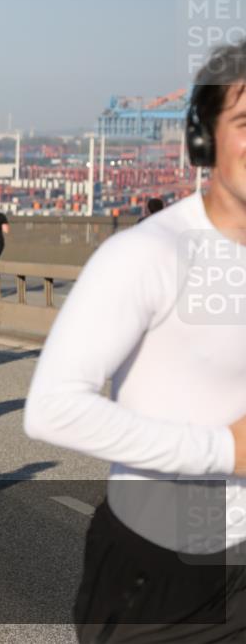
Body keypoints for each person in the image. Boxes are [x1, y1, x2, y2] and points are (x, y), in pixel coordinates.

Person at [26, 41, 246, 643]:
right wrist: (222, 451)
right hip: (159, 574)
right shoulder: (147, 254)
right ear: (204, 140)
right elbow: (52, 410)